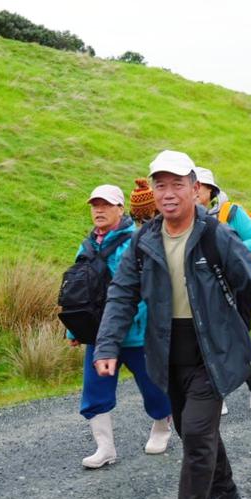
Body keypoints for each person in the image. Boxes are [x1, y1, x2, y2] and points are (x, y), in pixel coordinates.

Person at [94, 150, 251, 499]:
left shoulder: (215, 235)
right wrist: (107, 345)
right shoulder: (145, 239)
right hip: (167, 353)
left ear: (195, 188)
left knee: (195, 437)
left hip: (214, 352)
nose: (168, 194)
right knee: (196, 433)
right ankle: (225, 491)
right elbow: (121, 294)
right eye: (161, 185)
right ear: (153, 192)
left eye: (177, 185)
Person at [67, 185, 172, 468]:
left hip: (137, 334)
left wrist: (129, 320)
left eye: (105, 205)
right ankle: (105, 448)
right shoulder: (86, 246)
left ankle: (162, 426)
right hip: (99, 336)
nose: (98, 210)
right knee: (94, 392)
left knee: (154, 387)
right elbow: (78, 291)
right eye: (94, 205)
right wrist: (74, 328)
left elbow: (147, 288)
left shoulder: (137, 241)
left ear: (120, 209)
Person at [193, 166, 251, 413]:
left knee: (238, 338)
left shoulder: (231, 212)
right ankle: (217, 393)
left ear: (210, 191)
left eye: (199, 186)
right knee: (208, 337)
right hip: (207, 288)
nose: (193, 191)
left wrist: (226, 252)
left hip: (239, 284)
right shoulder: (187, 218)